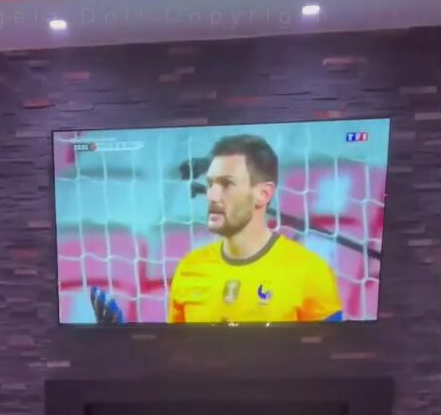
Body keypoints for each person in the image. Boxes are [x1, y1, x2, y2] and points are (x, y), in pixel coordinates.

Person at [91, 134, 343, 325]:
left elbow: (329, 364)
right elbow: (174, 361)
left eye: (226, 184)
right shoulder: (189, 268)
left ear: (263, 194)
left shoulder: (310, 271)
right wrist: (123, 343)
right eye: (210, 183)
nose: (211, 195)